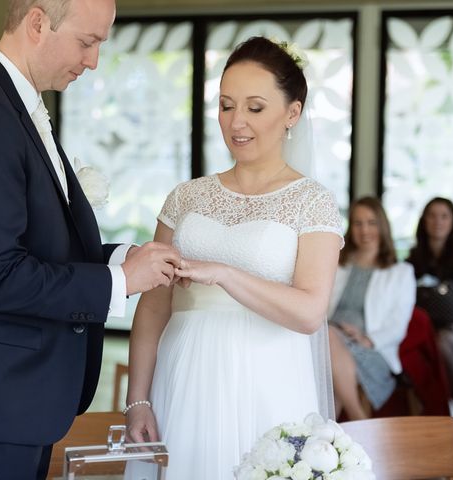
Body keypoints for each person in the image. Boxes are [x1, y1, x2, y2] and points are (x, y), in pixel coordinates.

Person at [0, 1, 181, 479]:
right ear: (37, 23)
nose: (93, 61)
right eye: (87, 42)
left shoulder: (15, 102)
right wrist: (117, 284)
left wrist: (123, 258)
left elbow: (39, 243)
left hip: (10, 404)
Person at [123, 36, 344, 480]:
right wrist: (138, 399)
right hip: (185, 376)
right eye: (226, 105)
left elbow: (308, 312)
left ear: (292, 114)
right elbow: (153, 305)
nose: (236, 122)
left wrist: (224, 273)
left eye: (255, 108)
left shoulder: (313, 203)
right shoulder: (186, 197)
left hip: (268, 379)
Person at [327, 197, 416, 420]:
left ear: (382, 226)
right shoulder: (336, 262)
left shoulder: (400, 272)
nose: (364, 229)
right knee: (327, 341)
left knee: (328, 352)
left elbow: (398, 322)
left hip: (371, 348)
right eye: (358, 223)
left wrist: (367, 339)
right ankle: (341, 434)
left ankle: (343, 424)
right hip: (328, 336)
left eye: (371, 222)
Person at [407, 197, 453, 407]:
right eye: (432, 216)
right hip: (422, 328)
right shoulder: (412, 261)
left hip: (451, 327)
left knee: (444, 341)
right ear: (424, 220)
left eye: (444, 216)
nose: (438, 221)